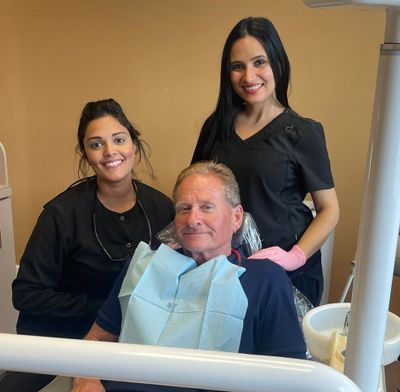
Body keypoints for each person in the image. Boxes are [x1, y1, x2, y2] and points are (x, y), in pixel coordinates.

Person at [69, 161, 307, 392]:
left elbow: (289, 375)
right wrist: (85, 380)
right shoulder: (143, 268)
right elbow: (96, 340)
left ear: (236, 218)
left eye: (207, 207)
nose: (193, 219)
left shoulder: (264, 280)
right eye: (184, 208)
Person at [0, 98, 174, 392]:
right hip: (61, 336)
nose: (110, 152)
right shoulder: (61, 214)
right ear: (85, 153)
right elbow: (26, 295)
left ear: (133, 144)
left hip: (133, 336)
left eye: (119, 140)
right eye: (96, 144)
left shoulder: (161, 207)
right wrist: (102, 311)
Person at [191, 17, 339, 306]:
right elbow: (195, 190)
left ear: (278, 64)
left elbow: (329, 209)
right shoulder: (216, 127)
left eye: (260, 62)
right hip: (223, 269)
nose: (249, 76)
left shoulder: (302, 132)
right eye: (237, 66)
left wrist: (294, 256)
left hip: (284, 276)